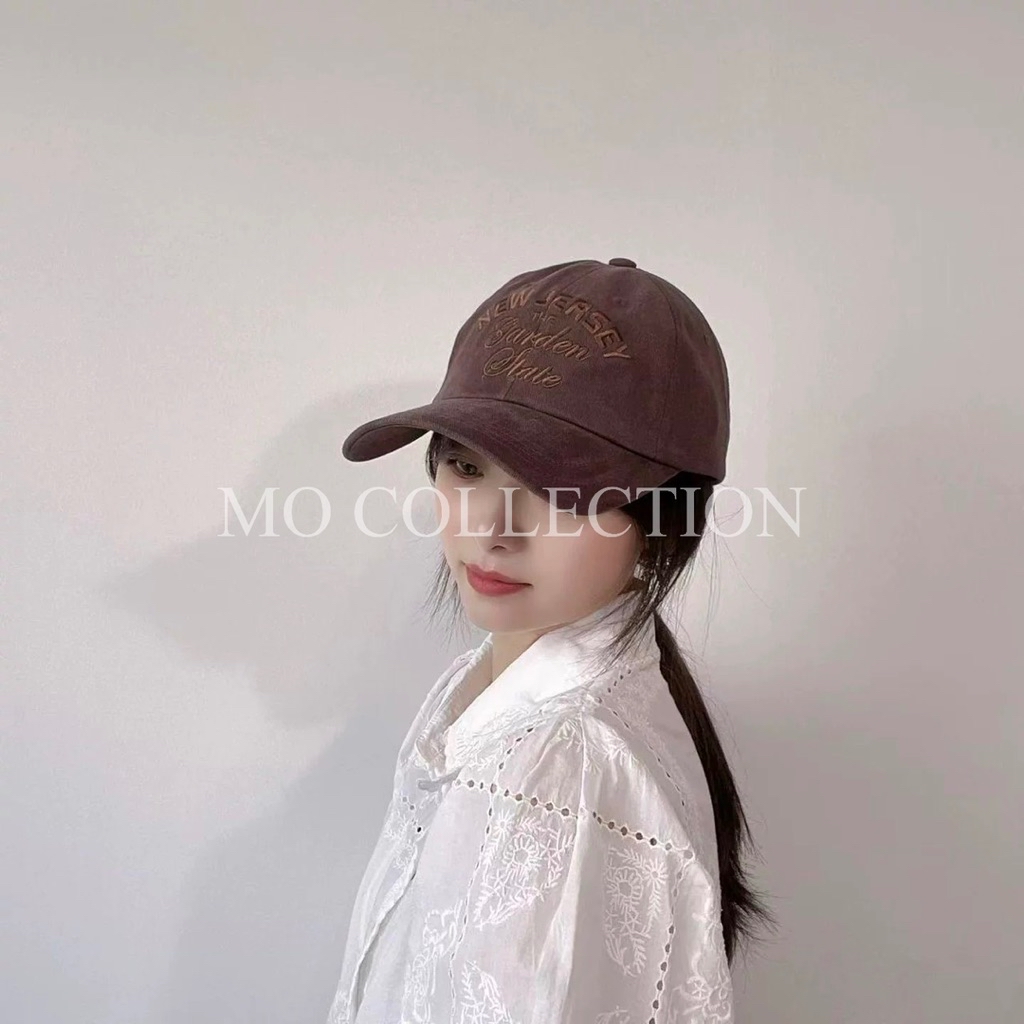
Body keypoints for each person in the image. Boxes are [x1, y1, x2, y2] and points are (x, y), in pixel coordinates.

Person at [327, 258, 776, 1023]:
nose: (492, 531)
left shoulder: (562, 763)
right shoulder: (498, 694)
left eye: (560, 491)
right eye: (465, 466)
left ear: (665, 517)